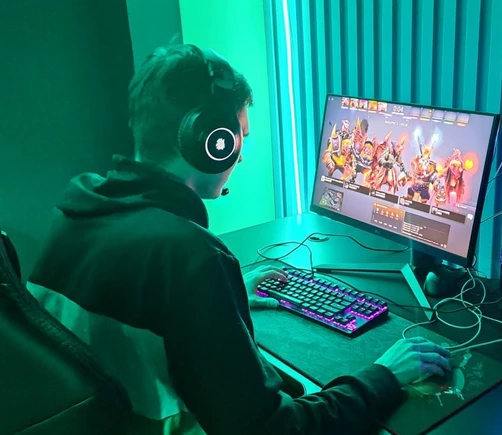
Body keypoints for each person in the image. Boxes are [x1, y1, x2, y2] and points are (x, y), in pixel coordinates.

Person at [27, 44, 450, 434]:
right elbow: (273, 430)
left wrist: (219, 302)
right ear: (213, 140)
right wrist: (384, 376)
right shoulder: (189, 257)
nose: (241, 154)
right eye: (239, 135)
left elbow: (138, 315)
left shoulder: (78, 211)